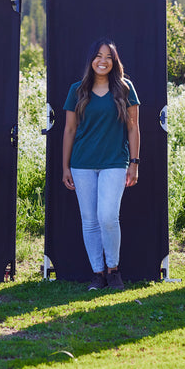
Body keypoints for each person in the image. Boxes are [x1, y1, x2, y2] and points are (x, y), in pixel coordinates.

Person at [62, 38, 141, 290]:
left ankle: (113, 270)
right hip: (82, 164)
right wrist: (65, 167)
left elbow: (133, 128)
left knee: (107, 216)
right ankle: (98, 273)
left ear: (114, 61)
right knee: (90, 220)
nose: (103, 61)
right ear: (91, 60)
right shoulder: (77, 90)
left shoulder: (125, 89)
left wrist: (134, 163)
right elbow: (70, 130)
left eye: (108, 56)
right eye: (98, 56)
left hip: (114, 162)